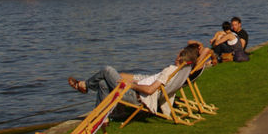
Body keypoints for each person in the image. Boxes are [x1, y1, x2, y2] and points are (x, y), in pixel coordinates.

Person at [68, 42, 204, 114]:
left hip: (136, 97)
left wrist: (131, 85)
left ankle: (85, 85)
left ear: (181, 57)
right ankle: (100, 116)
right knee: (103, 83)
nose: (175, 56)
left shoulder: (170, 70)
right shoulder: (185, 70)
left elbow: (150, 90)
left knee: (107, 70)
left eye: (178, 54)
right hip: (140, 93)